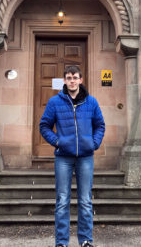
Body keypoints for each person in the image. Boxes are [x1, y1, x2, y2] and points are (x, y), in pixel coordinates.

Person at [40, 65, 105, 247]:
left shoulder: (91, 102)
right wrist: (58, 142)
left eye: (75, 77)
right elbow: (44, 126)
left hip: (85, 157)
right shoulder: (55, 102)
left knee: (85, 201)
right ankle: (62, 242)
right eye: (69, 78)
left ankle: (85, 240)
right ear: (65, 81)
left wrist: (93, 143)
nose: (72, 81)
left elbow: (100, 125)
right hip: (63, 158)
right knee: (62, 200)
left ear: (80, 80)